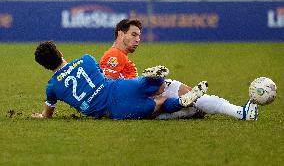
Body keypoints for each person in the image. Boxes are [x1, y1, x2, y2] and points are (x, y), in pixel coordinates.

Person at [99, 19, 259, 120]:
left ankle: (189, 108)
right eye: (133, 35)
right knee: (192, 101)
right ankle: (238, 112)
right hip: (139, 100)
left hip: (143, 95)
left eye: (139, 36)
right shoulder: (114, 55)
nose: (138, 40)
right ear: (120, 34)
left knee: (190, 98)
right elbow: (108, 89)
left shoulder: (121, 56)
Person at [31, 41, 208, 120]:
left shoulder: (52, 87)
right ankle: (154, 77)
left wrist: (41, 116)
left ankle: (180, 102)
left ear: (45, 67)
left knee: (158, 104)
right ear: (60, 53)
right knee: (154, 85)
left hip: (112, 109)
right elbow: (104, 75)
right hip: (119, 87)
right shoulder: (86, 59)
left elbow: (47, 114)